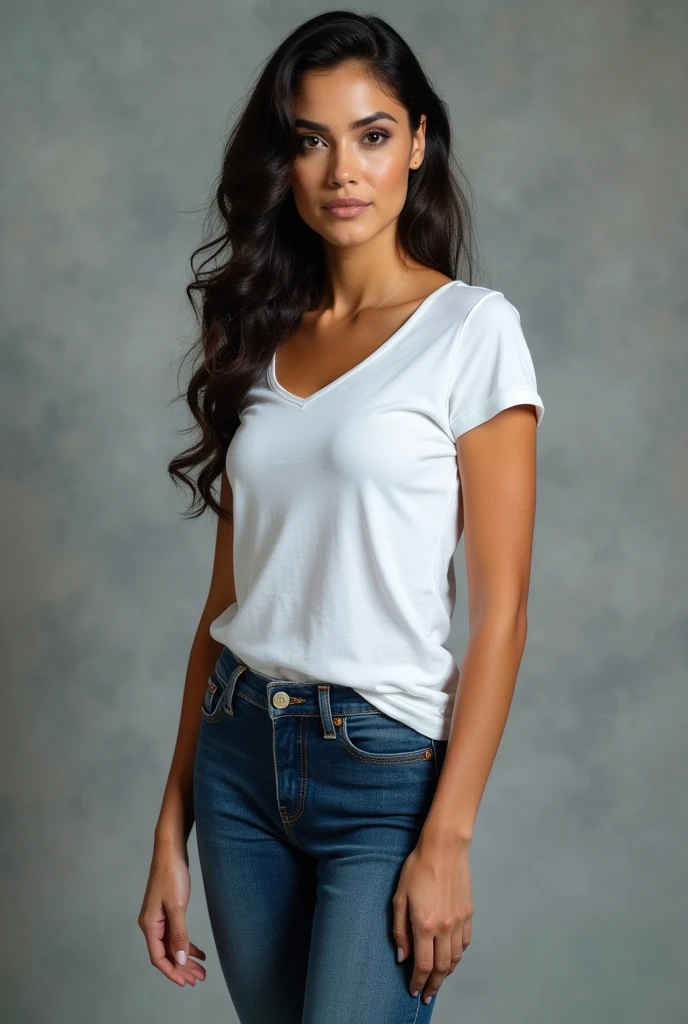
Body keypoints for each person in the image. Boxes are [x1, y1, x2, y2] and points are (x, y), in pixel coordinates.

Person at [137, 10, 545, 1023]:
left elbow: (500, 612)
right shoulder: (258, 335)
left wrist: (445, 839)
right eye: (310, 139)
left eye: (369, 134)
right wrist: (169, 825)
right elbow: (227, 599)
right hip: (236, 758)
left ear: (415, 142)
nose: (340, 170)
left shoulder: (472, 332)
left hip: (383, 771)